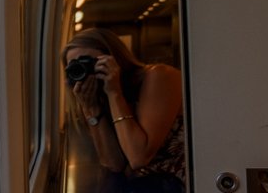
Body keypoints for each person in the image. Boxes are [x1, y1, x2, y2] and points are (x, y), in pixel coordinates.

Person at [62, 28, 185, 181]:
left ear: (114, 57)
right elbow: (114, 164)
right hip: (151, 189)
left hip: (186, 189)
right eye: (75, 67)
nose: (84, 71)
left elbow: (138, 157)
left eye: (88, 62)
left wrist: (115, 93)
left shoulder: (159, 76)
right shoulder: (102, 98)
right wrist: (92, 109)